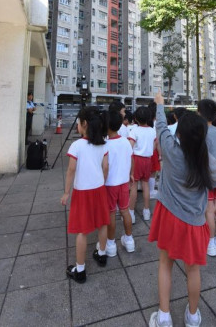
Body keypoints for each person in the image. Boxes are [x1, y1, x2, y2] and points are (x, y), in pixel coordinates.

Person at [149, 91, 216, 327]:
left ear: (179, 134)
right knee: (193, 270)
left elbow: (160, 126)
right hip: (194, 221)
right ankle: (192, 316)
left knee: (165, 264)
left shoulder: (171, 151)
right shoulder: (207, 161)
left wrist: (159, 104)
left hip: (168, 216)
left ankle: (163, 317)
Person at [61, 107, 110, 283]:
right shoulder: (103, 143)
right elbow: (105, 167)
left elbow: (71, 170)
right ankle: (102, 254)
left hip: (82, 191)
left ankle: (80, 269)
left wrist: (67, 192)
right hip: (99, 188)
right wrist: (102, 181)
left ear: (85, 124)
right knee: (103, 223)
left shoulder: (76, 145)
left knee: (82, 231)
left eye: (78, 123)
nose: (77, 126)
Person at [198, 99, 216, 257]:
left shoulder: (202, 132)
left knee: (209, 210)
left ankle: (210, 243)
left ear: (199, 113)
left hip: (208, 177)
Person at [105, 111, 135, 256]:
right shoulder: (125, 141)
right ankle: (129, 240)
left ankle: (110, 244)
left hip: (109, 184)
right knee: (125, 210)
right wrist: (131, 174)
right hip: (124, 182)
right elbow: (132, 159)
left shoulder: (104, 144)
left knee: (111, 213)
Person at [128, 106, 156, 223]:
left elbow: (130, 146)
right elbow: (154, 146)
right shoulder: (152, 130)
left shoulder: (135, 130)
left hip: (136, 160)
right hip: (148, 159)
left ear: (136, 119)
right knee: (146, 185)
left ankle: (131, 213)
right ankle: (146, 211)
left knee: (133, 185)